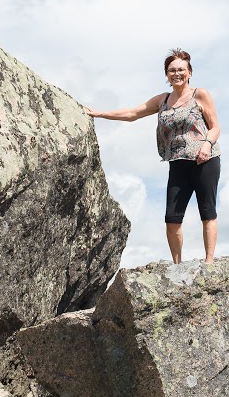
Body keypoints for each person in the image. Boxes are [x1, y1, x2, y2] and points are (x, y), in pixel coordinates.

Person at [88, 48, 221, 264]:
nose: (176, 73)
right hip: (178, 162)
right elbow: (133, 114)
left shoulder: (200, 95)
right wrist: (100, 113)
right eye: (171, 70)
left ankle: (209, 262)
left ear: (189, 72)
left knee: (207, 211)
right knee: (172, 218)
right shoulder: (163, 100)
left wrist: (206, 144)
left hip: (205, 161)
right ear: (167, 75)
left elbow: (215, 127)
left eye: (181, 69)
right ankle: (177, 266)